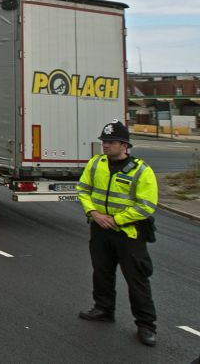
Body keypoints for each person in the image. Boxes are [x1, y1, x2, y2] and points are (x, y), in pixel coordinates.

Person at [77, 119, 159, 347]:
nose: (105, 145)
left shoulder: (142, 171)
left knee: (136, 279)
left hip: (128, 233)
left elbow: (146, 205)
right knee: (101, 271)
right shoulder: (96, 164)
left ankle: (146, 325)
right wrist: (94, 213)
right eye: (104, 141)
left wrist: (115, 220)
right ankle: (103, 309)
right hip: (100, 228)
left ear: (124, 145)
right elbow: (83, 189)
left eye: (111, 142)